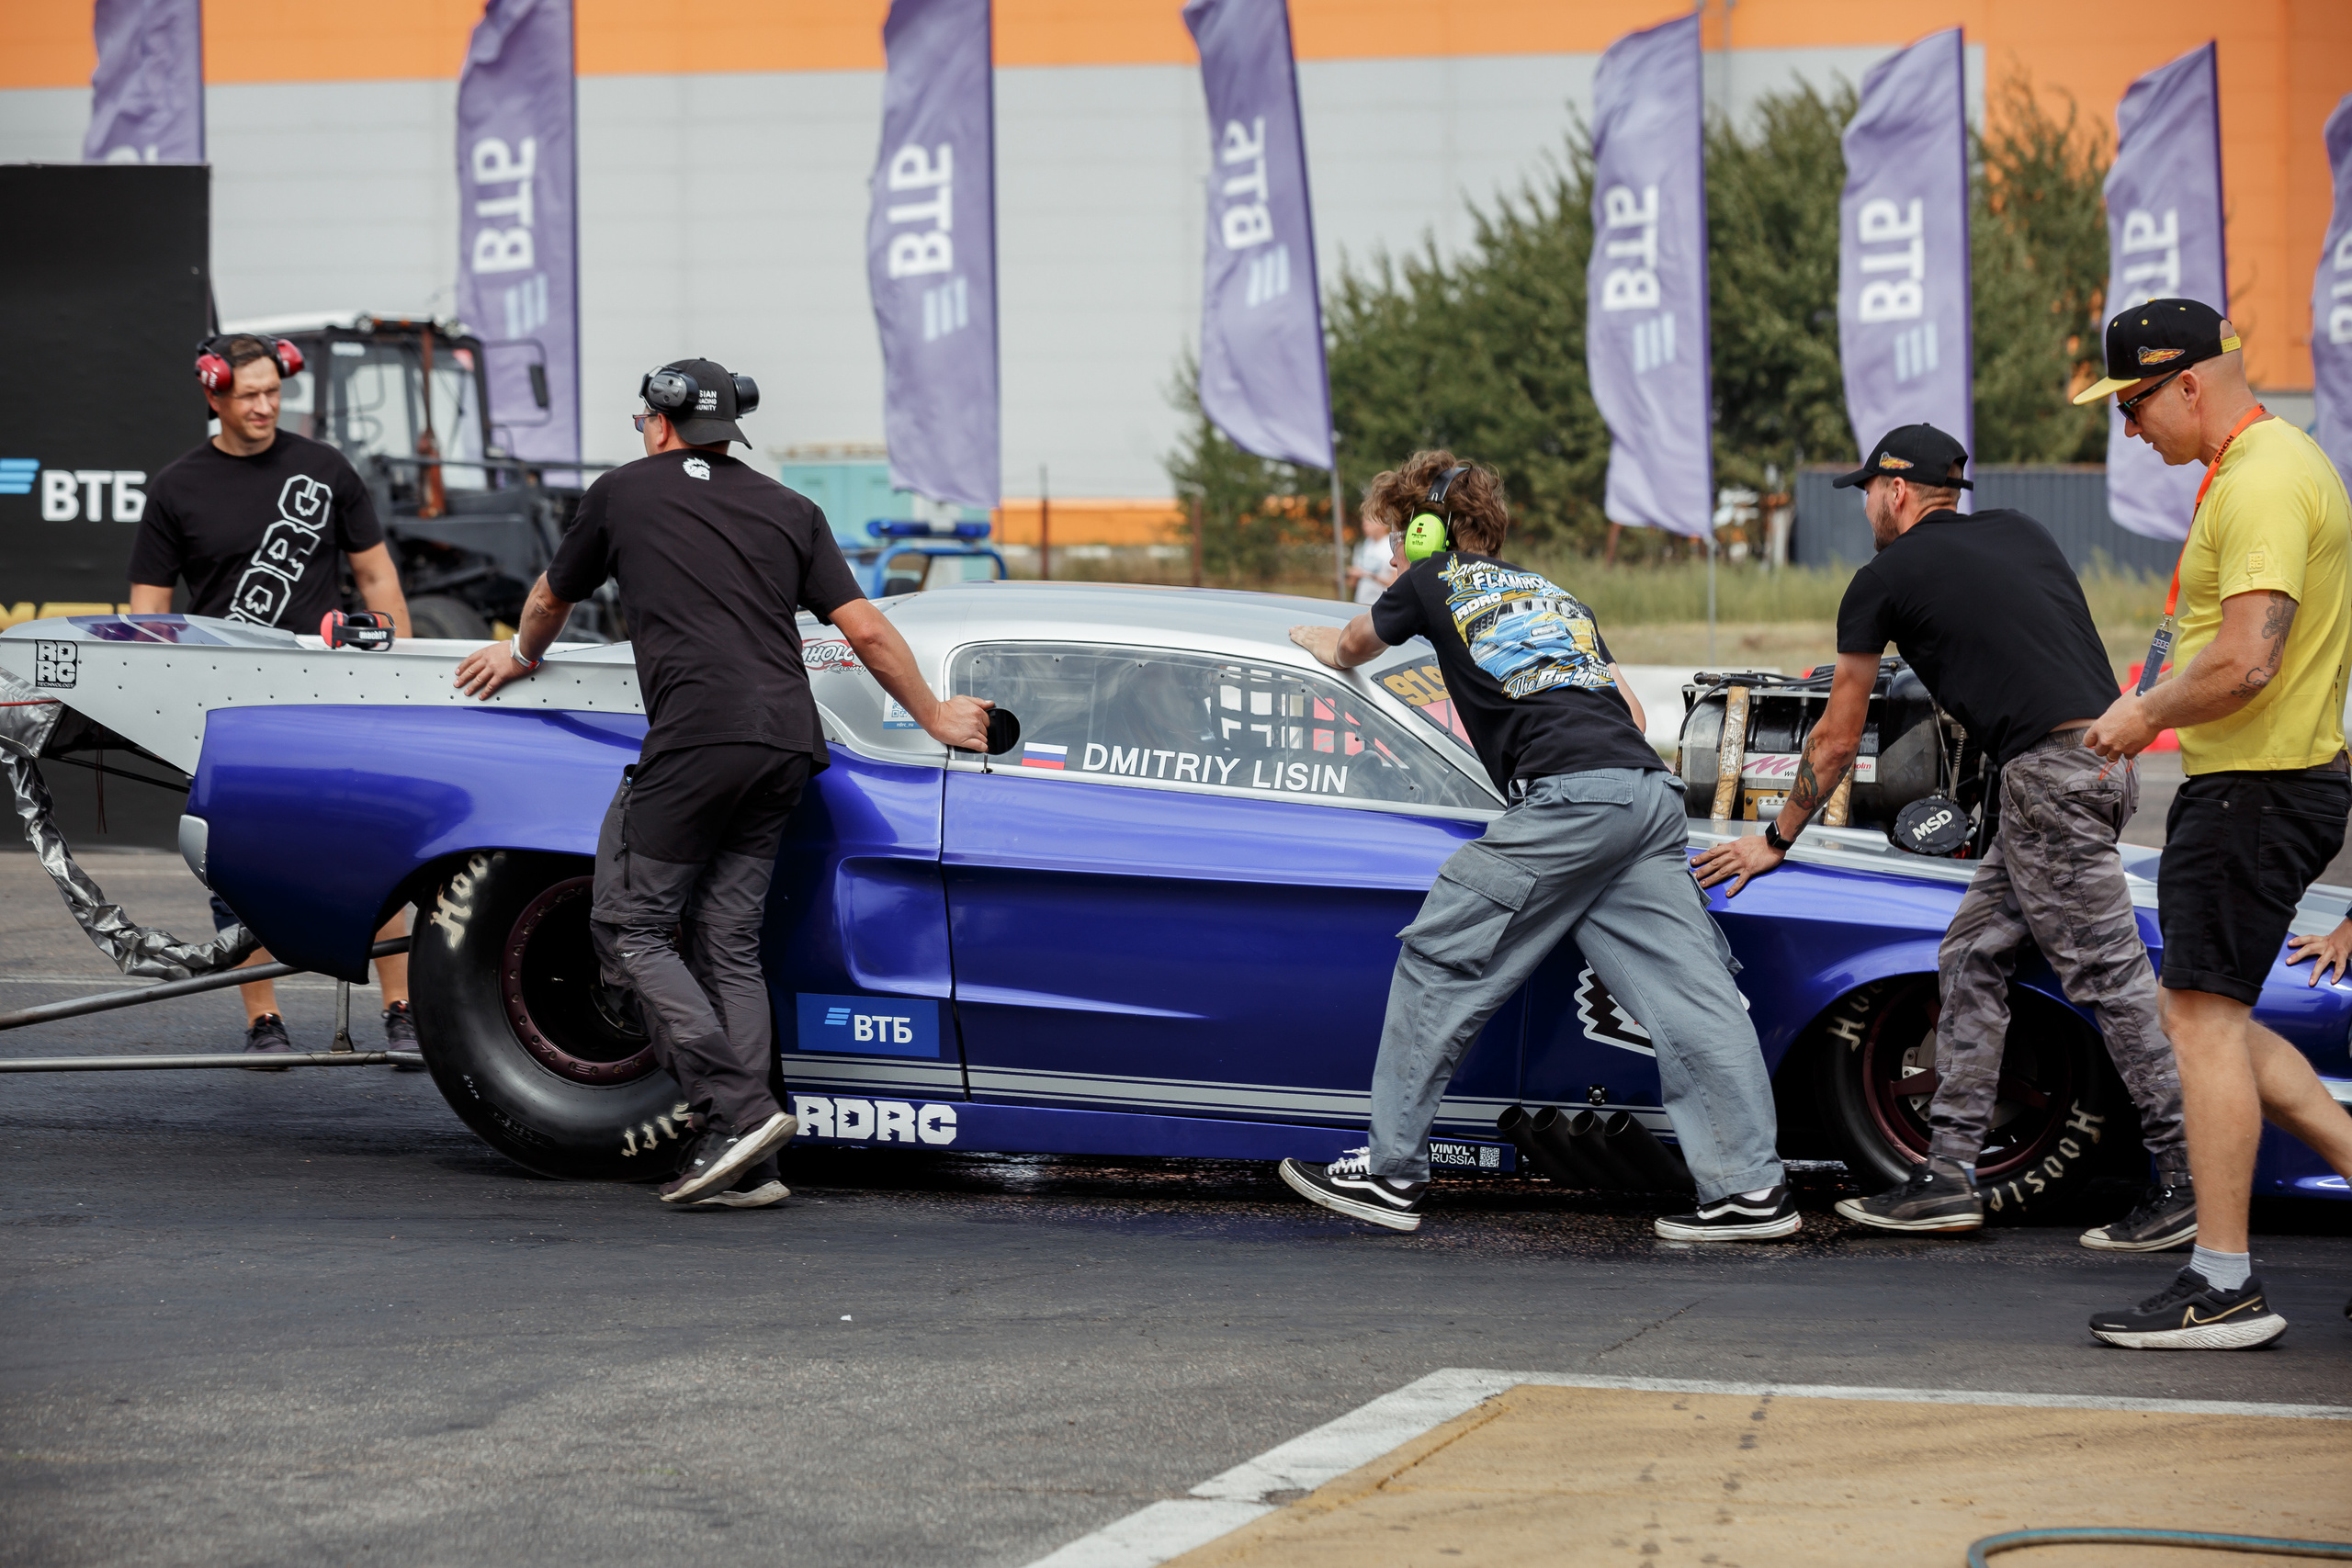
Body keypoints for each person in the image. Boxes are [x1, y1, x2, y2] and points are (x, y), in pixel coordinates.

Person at [453, 358, 994, 1210]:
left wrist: (519, 656)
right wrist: (932, 716)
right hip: (786, 742)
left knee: (628, 925)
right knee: (728, 944)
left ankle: (739, 1112)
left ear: (662, 423)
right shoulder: (792, 509)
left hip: (699, 737)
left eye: (642, 421)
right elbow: (868, 632)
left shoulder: (622, 493)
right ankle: (753, 1163)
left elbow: (551, 600)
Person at [1694, 423, 2193, 1250]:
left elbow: (1835, 738)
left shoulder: (1882, 578)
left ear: (1895, 491)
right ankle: (1947, 1177)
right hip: (2102, 765)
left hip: (2050, 782)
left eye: (1866, 494)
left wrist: (1774, 838)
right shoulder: (2022, 533)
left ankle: (2184, 1180)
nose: (1865, 510)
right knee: (1971, 954)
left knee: (2113, 982)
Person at [1279, 450, 1794, 1241]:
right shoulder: (1559, 595)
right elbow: (1627, 704)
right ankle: (1749, 1190)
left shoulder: (1427, 581)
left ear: (1427, 532)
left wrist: (1319, 637)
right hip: (1645, 796)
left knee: (1440, 955)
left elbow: (1352, 645)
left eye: (1391, 537)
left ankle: (1391, 1175)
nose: (1385, 556)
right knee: (1694, 998)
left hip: (1571, 800)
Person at [2075, 299, 2352, 1349]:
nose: (2130, 431)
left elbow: (2246, 660)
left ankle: (2223, 1282)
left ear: (2190, 381)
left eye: (2134, 405)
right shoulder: (2263, 468)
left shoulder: (2267, 478)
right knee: (2204, 1015)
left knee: (2196, 1025)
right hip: (2266, 781)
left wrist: (2138, 713)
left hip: (2254, 785)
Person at [128, 333, 417, 1068]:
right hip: (229, 704)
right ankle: (265, 1020)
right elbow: (148, 613)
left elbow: (377, 577)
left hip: (329, 689)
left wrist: (402, 670)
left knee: (374, 846)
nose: (264, 406)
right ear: (213, 392)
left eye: (273, 392)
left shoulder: (324, 469)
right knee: (240, 862)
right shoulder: (175, 487)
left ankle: (401, 1008)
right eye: (248, 394)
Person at [1349, 506, 1396, 605]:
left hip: (1381, 607)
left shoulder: (1392, 546)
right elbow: (1354, 582)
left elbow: (1395, 583)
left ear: (1383, 523)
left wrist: (1369, 576)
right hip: (1360, 604)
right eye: (1364, 521)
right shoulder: (1363, 545)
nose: (1365, 525)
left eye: (1370, 521)